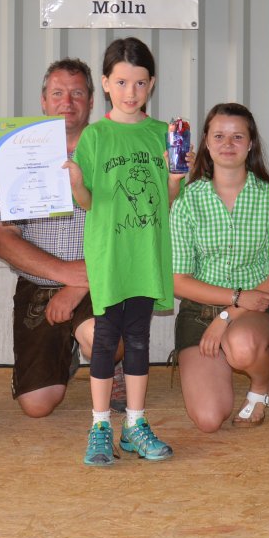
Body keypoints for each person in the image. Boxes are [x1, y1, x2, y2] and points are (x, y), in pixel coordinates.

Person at [66, 37, 185, 466]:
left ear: (151, 84)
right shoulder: (95, 136)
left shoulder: (163, 134)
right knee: (105, 339)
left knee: (138, 339)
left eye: (139, 83)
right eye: (121, 82)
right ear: (105, 83)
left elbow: (167, 199)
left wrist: (175, 176)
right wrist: (76, 181)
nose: (130, 92)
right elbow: (87, 202)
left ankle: (135, 424)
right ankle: (100, 425)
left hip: (146, 254)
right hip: (109, 255)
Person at [0, 58, 126, 417]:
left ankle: (111, 361)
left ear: (92, 102)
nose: (67, 101)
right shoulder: (20, 153)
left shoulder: (113, 155)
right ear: (43, 101)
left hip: (99, 279)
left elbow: (131, 233)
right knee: (37, 406)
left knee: (100, 339)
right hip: (40, 283)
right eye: (57, 93)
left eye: (77, 93)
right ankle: (64, 354)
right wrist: (64, 273)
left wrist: (79, 283)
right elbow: (3, 239)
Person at [171, 103, 269, 432]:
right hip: (199, 313)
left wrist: (227, 315)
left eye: (238, 136)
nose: (228, 144)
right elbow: (178, 282)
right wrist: (233, 299)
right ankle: (221, 361)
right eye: (219, 136)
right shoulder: (187, 200)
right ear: (206, 144)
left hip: (256, 307)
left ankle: (260, 389)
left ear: (251, 144)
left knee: (242, 345)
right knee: (209, 419)